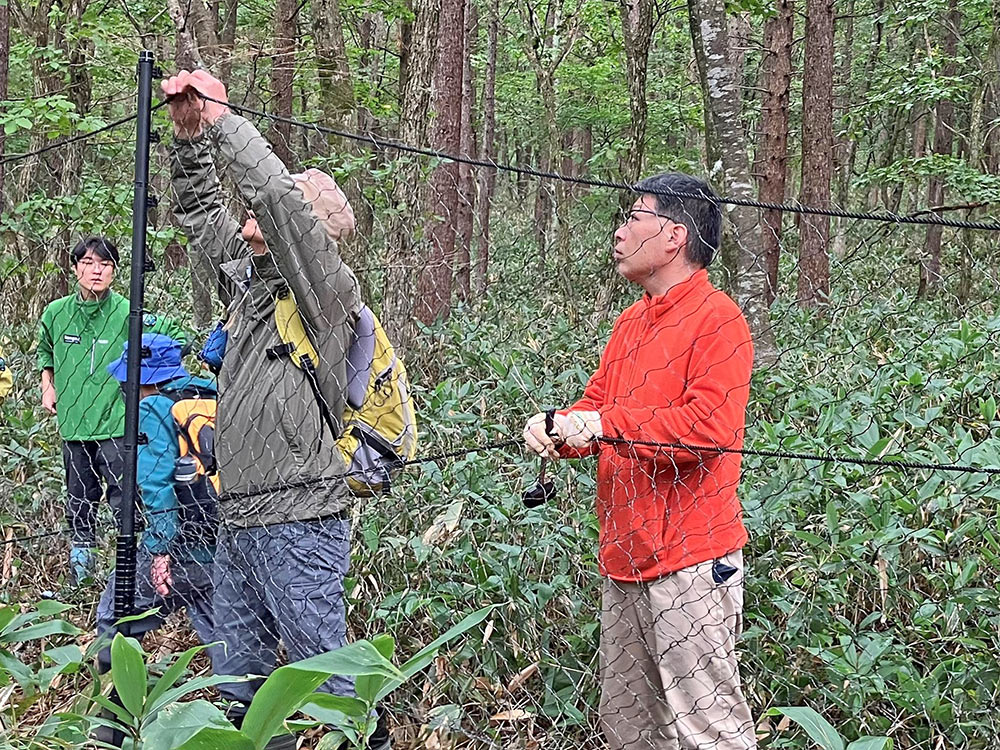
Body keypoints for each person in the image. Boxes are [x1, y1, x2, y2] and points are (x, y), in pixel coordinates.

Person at [163, 70, 389, 750]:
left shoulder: (328, 295)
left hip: (301, 518)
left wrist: (228, 120)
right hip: (240, 515)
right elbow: (202, 212)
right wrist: (191, 137)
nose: (260, 208)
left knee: (326, 675)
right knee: (244, 682)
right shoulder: (250, 283)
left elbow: (277, 202)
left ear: (307, 227)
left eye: (289, 202)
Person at [523, 173, 756, 750]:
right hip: (624, 555)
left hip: (691, 560)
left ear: (675, 235)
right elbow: (599, 407)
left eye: (634, 216)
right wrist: (560, 427)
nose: (620, 231)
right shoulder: (632, 320)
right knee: (630, 729)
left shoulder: (718, 318)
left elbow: (710, 428)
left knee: (707, 727)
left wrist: (602, 424)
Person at [37, 237, 187, 584]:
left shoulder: (127, 310)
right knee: (79, 503)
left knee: (125, 504)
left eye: (104, 264)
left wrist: (155, 380)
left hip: (118, 424)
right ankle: (82, 580)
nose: (96, 270)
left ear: (115, 272)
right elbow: (45, 349)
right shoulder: (56, 313)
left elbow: (173, 333)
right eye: (88, 262)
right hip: (73, 424)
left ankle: (128, 573)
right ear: (75, 268)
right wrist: (49, 383)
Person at [95, 332, 219, 671]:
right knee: (225, 637)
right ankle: (248, 713)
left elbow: (156, 484)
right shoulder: (209, 393)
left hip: (179, 544)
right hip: (223, 542)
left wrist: (160, 550)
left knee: (114, 616)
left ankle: (112, 709)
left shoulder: (152, 408)